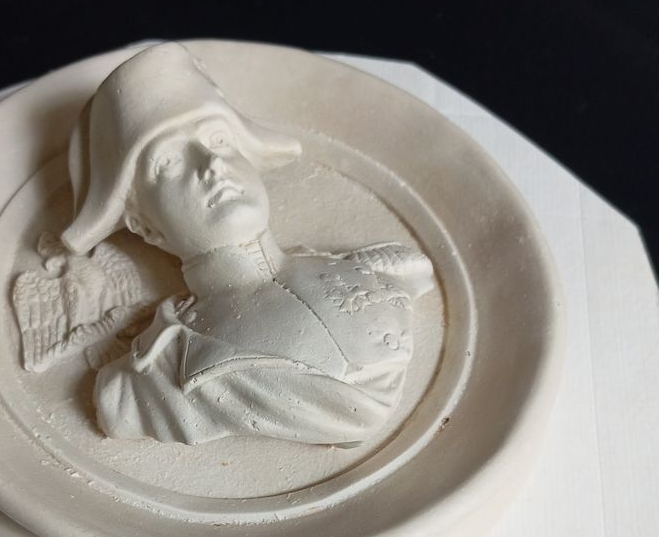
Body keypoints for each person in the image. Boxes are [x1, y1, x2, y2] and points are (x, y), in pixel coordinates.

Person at [62, 42, 434, 445]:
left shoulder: (380, 270)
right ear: (145, 226)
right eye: (169, 161)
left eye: (219, 139)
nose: (211, 163)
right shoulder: (156, 376)